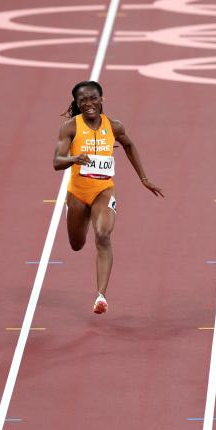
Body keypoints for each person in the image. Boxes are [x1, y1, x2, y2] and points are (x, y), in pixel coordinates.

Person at [52, 80, 163, 313]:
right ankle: (71, 213)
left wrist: (144, 179)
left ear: (102, 99)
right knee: (76, 245)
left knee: (103, 235)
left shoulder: (114, 126)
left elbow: (129, 146)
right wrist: (73, 159)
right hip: (78, 193)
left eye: (93, 98)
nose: (89, 103)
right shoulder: (70, 127)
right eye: (83, 100)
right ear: (77, 103)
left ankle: (101, 296)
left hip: (104, 190)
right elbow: (56, 162)